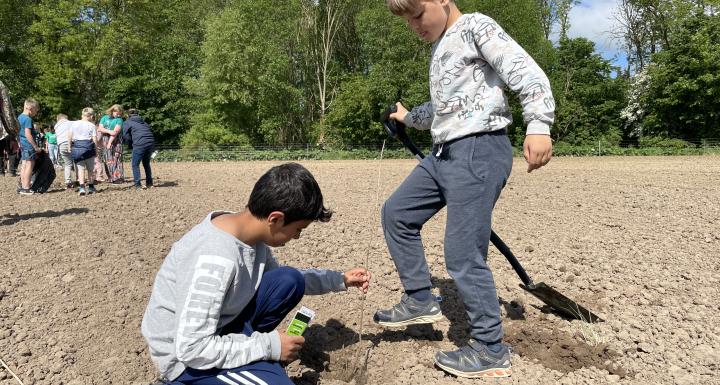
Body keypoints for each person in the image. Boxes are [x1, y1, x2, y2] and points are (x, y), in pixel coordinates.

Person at [374, 0, 555, 378]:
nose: (415, 26)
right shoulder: (442, 46)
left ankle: (490, 349)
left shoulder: (475, 26)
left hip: (478, 149)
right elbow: (446, 108)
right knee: (397, 213)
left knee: (462, 254)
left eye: (418, 14)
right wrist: (408, 117)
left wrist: (538, 123)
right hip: (443, 154)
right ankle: (420, 297)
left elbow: (525, 70)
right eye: (407, 21)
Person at [141, 163, 371, 385]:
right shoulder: (214, 258)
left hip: (221, 330)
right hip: (187, 361)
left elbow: (282, 278)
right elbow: (191, 348)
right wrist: (269, 346)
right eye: (298, 230)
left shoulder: (248, 235)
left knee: (288, 280)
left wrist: (340, 279)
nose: (297, 237)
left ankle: (251, 363)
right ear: (275, 218)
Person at [122, 108, 155, 189]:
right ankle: (149, 183)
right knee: (146, 163)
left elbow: (126, 136)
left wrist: (130, 145)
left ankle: (138, 185)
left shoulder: (127, 122)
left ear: (128, 115)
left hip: (140, 144)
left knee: (135, 164)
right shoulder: (144, 122)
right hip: (151, 143)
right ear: (138, 114)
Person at [69, 107, 99, 195]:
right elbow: (94, 139)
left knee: (80, 169)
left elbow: (69, 136)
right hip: (88, 148)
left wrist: (69, 146)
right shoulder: (92, 125)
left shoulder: (74, 124)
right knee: (90, 169)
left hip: (77, 147)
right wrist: (96, 150)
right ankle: (91, 187)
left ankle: (82, 188)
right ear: (91, 116)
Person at [17, 98, 42, 195]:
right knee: (29, 166)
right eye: (36, 110)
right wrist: (35, 146)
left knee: (24, 165)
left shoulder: (19, 117)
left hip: (23, 145)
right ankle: (26, 188)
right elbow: (28, 134)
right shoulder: (28, 119)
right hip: (28, 146)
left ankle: (23, 186)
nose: (36, 112)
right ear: (30, 108)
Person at [97, 104, 125, 183]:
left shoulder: (119, 120)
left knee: (117, 158)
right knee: (107, 159)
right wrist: (109, 131)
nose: (118, 115)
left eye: (120, 113)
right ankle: (111, 177)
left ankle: (118, 177)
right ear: (112, 111)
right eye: (117, 113)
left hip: (116, 141)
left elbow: (115, 132)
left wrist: (109, 142)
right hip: (105, 139)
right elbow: (100, 128)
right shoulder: (104, 118)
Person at [0, 80, 19, 177]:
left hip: (4, 122)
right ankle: (10, 170)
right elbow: (6, 104)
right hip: (5, 122)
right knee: (10, 147)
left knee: (10, 146)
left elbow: (6, 104)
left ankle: (6, 170)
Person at [54, 113, 77, 189]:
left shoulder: (56, 126)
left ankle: (68, 181)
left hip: (61, 146)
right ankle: (79, 179)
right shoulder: (71, 123)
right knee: (78, 162)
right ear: (65, 118)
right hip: (71, 143)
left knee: (67, 164)